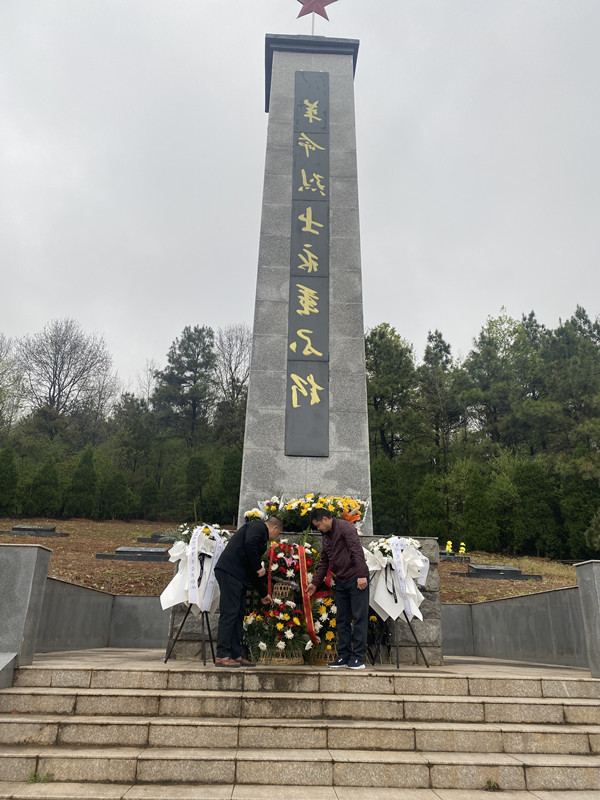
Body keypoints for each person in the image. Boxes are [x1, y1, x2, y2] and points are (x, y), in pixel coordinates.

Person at [214, 515, 283, 667]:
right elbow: (250, 544)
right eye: (277, 534)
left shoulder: (259, 540)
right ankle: (222, 655)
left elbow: (253, 571)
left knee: (239, 614)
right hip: (230, 572)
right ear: (274, 528)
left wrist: (264, 594)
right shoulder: (258, 527)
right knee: (230, 612)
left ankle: (235, 654)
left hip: (239, 576)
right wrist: (258, 567)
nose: (274, 538)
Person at [308, 508, 369, 670]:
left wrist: (361, 575)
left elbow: (357, 551)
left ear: (325, 519)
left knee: (359, 617)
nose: (318, 529)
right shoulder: (326, 535)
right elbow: (324, 561)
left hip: (356, 578)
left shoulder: (345, 528)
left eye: (318, 525)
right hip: (341, 579)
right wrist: (315, 583)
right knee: (342, 619)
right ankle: (344, 655)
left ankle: (358, 657)